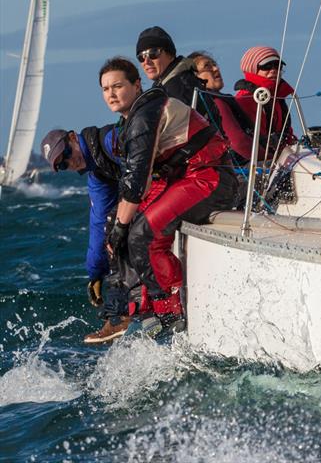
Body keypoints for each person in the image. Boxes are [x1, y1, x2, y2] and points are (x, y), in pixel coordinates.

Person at [100, 56, 238, 332]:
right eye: (105, 89)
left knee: (142, 233)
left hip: (211, 178)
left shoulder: (146, 116)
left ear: (137, 85)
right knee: (119, 225)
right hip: (186, 179)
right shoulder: (136, 117)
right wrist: (117, 225)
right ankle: (141, 304)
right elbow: (141, 182)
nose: (111, 94)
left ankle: (172, 310)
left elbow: (138, 181)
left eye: (117, 86)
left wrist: (122, 226)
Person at [40, 125, 139, 343]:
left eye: (66, 153)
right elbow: (97, 223)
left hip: (169, 178)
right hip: (148, 191)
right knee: (110, 230)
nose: (69, 162)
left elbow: (141, 165)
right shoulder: (96, 173)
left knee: (118, 226)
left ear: (73, 137)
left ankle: (122, 314)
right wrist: (95, 273)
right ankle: (121, 313)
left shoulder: (107, 141)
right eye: (62, 165)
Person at [135, 26, 214, 120]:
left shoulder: (179, 87)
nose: (146, 61)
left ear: (170, 54)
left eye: (153, 53)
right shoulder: (165, 86)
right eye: (141, 57)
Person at [233, 46, 298, 161]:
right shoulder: (245, 100)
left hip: (278, 157)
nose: (273, 70)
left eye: (277, 66)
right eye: (266, 66)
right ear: (252, 69)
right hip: (254, 163)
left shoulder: (276, 97)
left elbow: (287, 134)